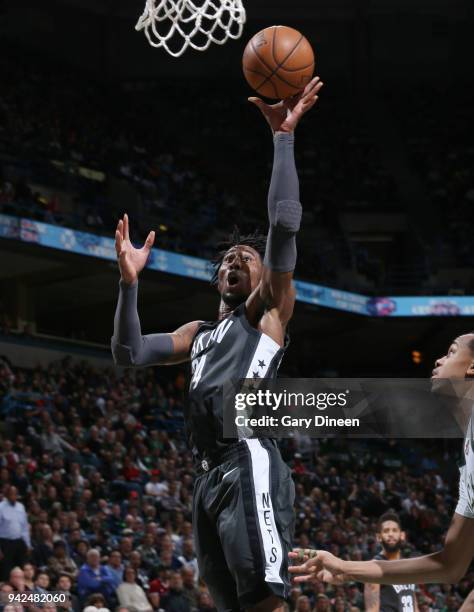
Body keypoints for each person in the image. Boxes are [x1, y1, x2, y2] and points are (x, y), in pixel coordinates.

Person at [111, 76, 323, 612]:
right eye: (227, 258)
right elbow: (128, 353)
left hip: (246, 455)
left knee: (264, 602)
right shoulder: (198, 335)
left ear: (262, 275)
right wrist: (128, 285)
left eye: (245, 258)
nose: (234, 261)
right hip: (206, 475)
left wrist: (283, 138)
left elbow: (283, 222)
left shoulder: (269, 311)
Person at [289, 333, 474, 592]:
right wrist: (343, 567)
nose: (438, 359)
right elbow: (449, 566)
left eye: (451, 352)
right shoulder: (468, 464)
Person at [363, 512, 417, 612]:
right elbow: (372, 609)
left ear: (402, 535)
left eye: (394, 530)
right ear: (379, 537)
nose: (391, 534)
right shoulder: (374, 567)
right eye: (386, 531)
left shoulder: (409, 566)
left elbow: (414, 606)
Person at [0, 487, 31, 580]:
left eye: (15, 494)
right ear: (6, 495)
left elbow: (24, 527)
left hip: (19, 541)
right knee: (6, 570)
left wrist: (28, 544)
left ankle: (22, 591)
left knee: (21, 568)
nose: (13, 496)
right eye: (11, 494)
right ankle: (6, 592)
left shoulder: (21, 507)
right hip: (5, 543)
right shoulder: (1, 507)